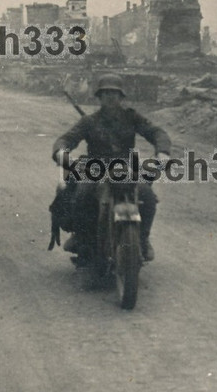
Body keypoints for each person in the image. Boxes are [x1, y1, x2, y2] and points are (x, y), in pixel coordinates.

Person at [51, 73, 171, 261]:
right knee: (82, 194)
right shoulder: (89, 122)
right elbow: (67, 138)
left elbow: (156, 132)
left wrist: (162, 152)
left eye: (114, 93)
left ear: (121, 96)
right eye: (105, 93)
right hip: (96, 169)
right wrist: (61, 152)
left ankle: (142, 238)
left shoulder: (131, 118)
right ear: (99, 96)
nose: (110, 97)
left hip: (124, 170)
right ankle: (82, 238)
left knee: (146, 196)